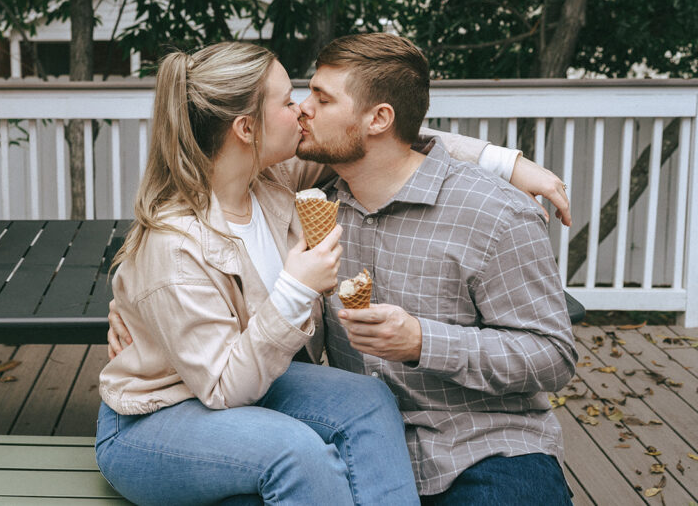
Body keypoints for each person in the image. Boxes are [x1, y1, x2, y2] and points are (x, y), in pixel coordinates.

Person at [97, 41, 558, 505]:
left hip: (467, 437)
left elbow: (400, 137)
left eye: (317, 98)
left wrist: (507, 163)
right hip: (176, 405)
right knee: (297, 455)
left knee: (366, 402)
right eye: (289, 100)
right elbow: (220, 380)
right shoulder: (183, 242)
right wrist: (294, 288)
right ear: (245, 128)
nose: (302, 111)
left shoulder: (275, 183)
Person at [297, 33, 578, 505]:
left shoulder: (495, 213)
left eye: (321, 99)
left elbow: (552, 355)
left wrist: (425, 343)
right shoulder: (313, 211)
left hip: (484, 444)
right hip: (358, 446)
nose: (303, 108)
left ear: (379, 119)